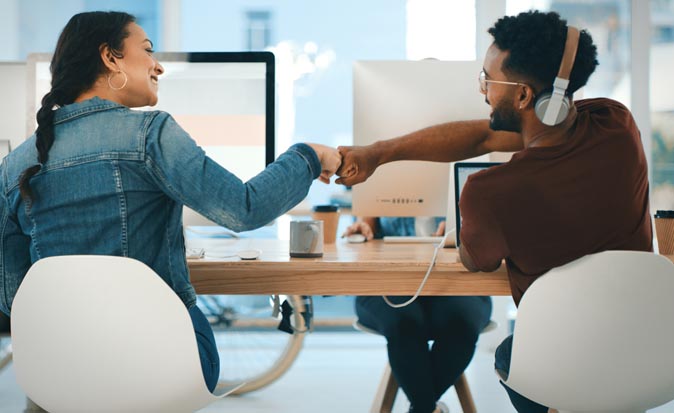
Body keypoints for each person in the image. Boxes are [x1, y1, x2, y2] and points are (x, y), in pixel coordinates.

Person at [0, 11, 341, 393]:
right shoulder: (150, 134)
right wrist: (307, 157)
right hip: (159, 368)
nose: (158, 65)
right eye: (147, 50)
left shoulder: (14, 166)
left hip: (59, 376)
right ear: (110, 57)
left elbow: (13, 298)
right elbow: (245, 209)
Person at [336, 10, 651, 413]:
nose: (482, 91)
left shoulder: (490, 192)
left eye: (488, 80)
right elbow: (486, 135)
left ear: (522, 96)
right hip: (645, 348)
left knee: (511, 354)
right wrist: (380, 153)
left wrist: (464, 229)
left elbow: (474, 260)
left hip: (564, 361)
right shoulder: (618, 125)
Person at [345, 217, 492, 413]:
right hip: (388, 278)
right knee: (404, 322)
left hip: (452, 278)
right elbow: (369, 217)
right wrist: (363, 226)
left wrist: (461, 225)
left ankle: (422, 407)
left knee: (461, 322)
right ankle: (428, 408)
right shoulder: (374, 184)